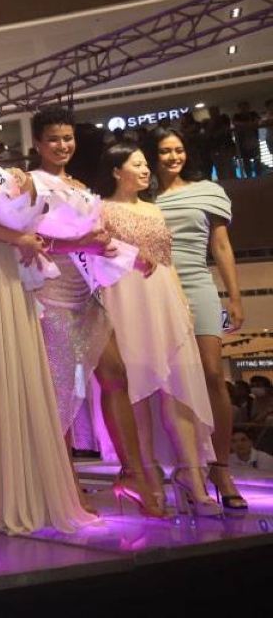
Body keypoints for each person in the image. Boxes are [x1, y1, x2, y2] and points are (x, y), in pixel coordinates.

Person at [0, 88, 95, 533]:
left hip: (14, 271)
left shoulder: (10, 169)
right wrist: (16, 238)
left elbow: (24, 215)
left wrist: (31, 225)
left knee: (22, 373)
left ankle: (28, 489)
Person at [29, 106, 165, 519]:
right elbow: (32, 241)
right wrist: (84, 245)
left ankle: (132, 472)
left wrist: (127, 251)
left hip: (88, 293)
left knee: (115, 376)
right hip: (53, 296)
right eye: (53, 138)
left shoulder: (80, 185)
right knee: (63, 395)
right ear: (37, 143)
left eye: (67, 137)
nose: (62, 145)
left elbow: (94, 238)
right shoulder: (31, 184)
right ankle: (66, 481)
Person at [97, 143, 219, 518]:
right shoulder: (101, 209)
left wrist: (182, 303)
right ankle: (147, 480)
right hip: (125, 300)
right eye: (137, 164)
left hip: (163, 297)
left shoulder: (154, 209)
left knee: (177, 390)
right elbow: (98, 256)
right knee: (136, 392)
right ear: (118, 171)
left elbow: (169, 261)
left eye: (146, 164)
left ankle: (194, 480)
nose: (146, 170)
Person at [147, 127, 248, 513]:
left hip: (199, 284)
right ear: (152, 155)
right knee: (170, 382)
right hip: (157, 290)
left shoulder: (208, 191)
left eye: (178, 149)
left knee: (211, 374)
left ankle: (221, 469)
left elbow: (221, 247)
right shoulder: (144, 197)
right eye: (164, 151)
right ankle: (187, 469)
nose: (173, 157)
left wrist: (234, 297)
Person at [232, 101, 262, 178]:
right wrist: (248, 124)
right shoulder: (237, 116)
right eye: (242, 108)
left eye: (245, 107)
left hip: (254, 142)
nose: (244, 109)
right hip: (243, 144)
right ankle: (249, 178)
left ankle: (259, 177)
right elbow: (235, 123)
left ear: (248, 107)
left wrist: (247, 125)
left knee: (257, 161)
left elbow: (258, 121)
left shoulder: (253, 114)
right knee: (246, 163)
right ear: (239, 109)